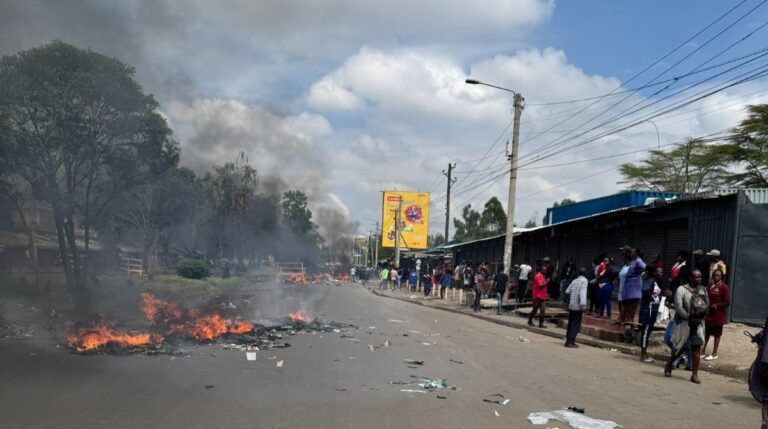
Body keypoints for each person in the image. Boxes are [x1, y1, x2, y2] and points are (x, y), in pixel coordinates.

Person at [664, 269, 709, 384]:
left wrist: (700, 317)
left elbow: (705, 304)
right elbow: (678, 306)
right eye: (696, 277)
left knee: (696, 348)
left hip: (697, 324)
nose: (699, 279)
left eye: (700, 277)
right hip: (684, 324)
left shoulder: (702, 289)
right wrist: (688, 317)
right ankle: (670, 364)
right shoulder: (681, 289)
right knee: (680, 347)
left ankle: (694, 375)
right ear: (690, 277)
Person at [702, 268, 730, 361]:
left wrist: (716, 305)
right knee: (706, 333)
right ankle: (702, 351)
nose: (716, 277)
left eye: (718, 275)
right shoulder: (709, 285)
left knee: (717, 335)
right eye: (714, 275)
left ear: (721, 277)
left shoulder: (724, 287)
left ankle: (714, 353)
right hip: (708, 314)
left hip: (718, 315)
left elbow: (727, 302)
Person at [639, 266, 663, 363]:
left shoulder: (655, 281)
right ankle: (643, 355)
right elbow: (645, 291)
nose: (661, 274)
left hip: (653, 309)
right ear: (654, 273)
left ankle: (644, 353)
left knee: (648, 331)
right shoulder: (650, 280)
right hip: (648, 310)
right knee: (645, 332)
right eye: (659, 272)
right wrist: (652, 298)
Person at [619, 247, 645, 325]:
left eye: (633, 252)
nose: (631, 253)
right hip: (629, 284)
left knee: (633, 303)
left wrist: (638, 273)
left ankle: (631, 319)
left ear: (636, 253)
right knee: (625, 302)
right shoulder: (633, 261)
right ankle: (623, 318)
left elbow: (644, 267)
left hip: (635, 284)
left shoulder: (638, 260)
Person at [564, 267, 588, 348]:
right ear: (585, 274)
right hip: (578, 306)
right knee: (575, 325)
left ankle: (568, 340)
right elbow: (582, 293)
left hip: (571, 305)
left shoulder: (574, 281)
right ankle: (570, 341)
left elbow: (567, 291)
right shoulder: (584, 281)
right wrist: (583, 305)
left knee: (570, 323)